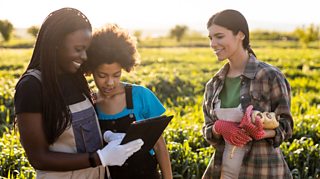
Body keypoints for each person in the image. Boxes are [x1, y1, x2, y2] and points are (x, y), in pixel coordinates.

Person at [14, 7, 143, 179]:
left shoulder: (75, 78)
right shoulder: (31, 86)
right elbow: (39, 158)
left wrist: (108, 138)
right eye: (78, 49)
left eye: (86, 50)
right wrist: (99, 158)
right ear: (56, 43)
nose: (84, 56)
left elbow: (80, 136)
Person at [201, 9, 293, 179]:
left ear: (240, 35)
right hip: (222, 172)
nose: (213, 43)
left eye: (219, 36)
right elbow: (208, 132)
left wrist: (262, 133)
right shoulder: (213, 84)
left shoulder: (269, 76)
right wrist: (218, 127)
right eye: (210, 38)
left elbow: (286, 126)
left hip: (262, 171)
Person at [83, 24, 173, 179]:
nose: (110, 82)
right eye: (102, 75)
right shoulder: (90, 103)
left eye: (116, 75)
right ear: (90, 70)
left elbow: (159, 146)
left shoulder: (140, 95)